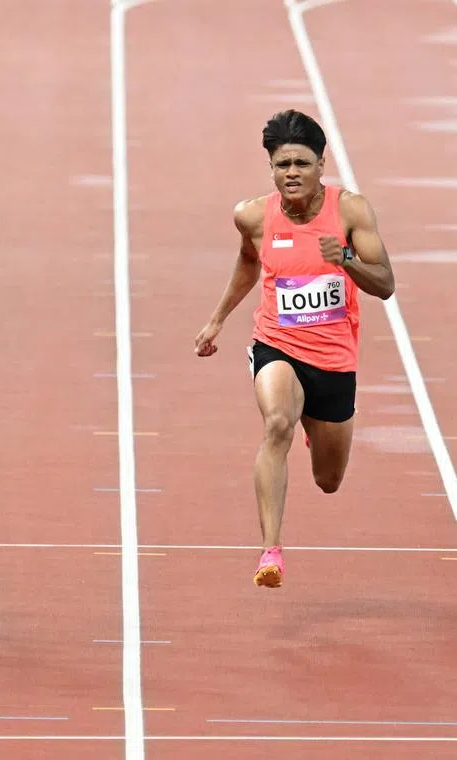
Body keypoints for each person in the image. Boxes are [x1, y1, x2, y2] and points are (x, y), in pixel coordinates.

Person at [193, 109, 395, 588]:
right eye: (283, 164)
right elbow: (248, 262)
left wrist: (346, 258)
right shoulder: (251, 216)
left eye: (302, 163)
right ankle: (271, 551)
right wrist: (217, 319)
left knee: (328, 480)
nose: (292, 173)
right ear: (271, 167)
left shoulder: (350, 211)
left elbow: (385, 284)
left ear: (321, 164)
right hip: (277, 344)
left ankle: (313, 423)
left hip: (334, 359)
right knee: (277, 423)